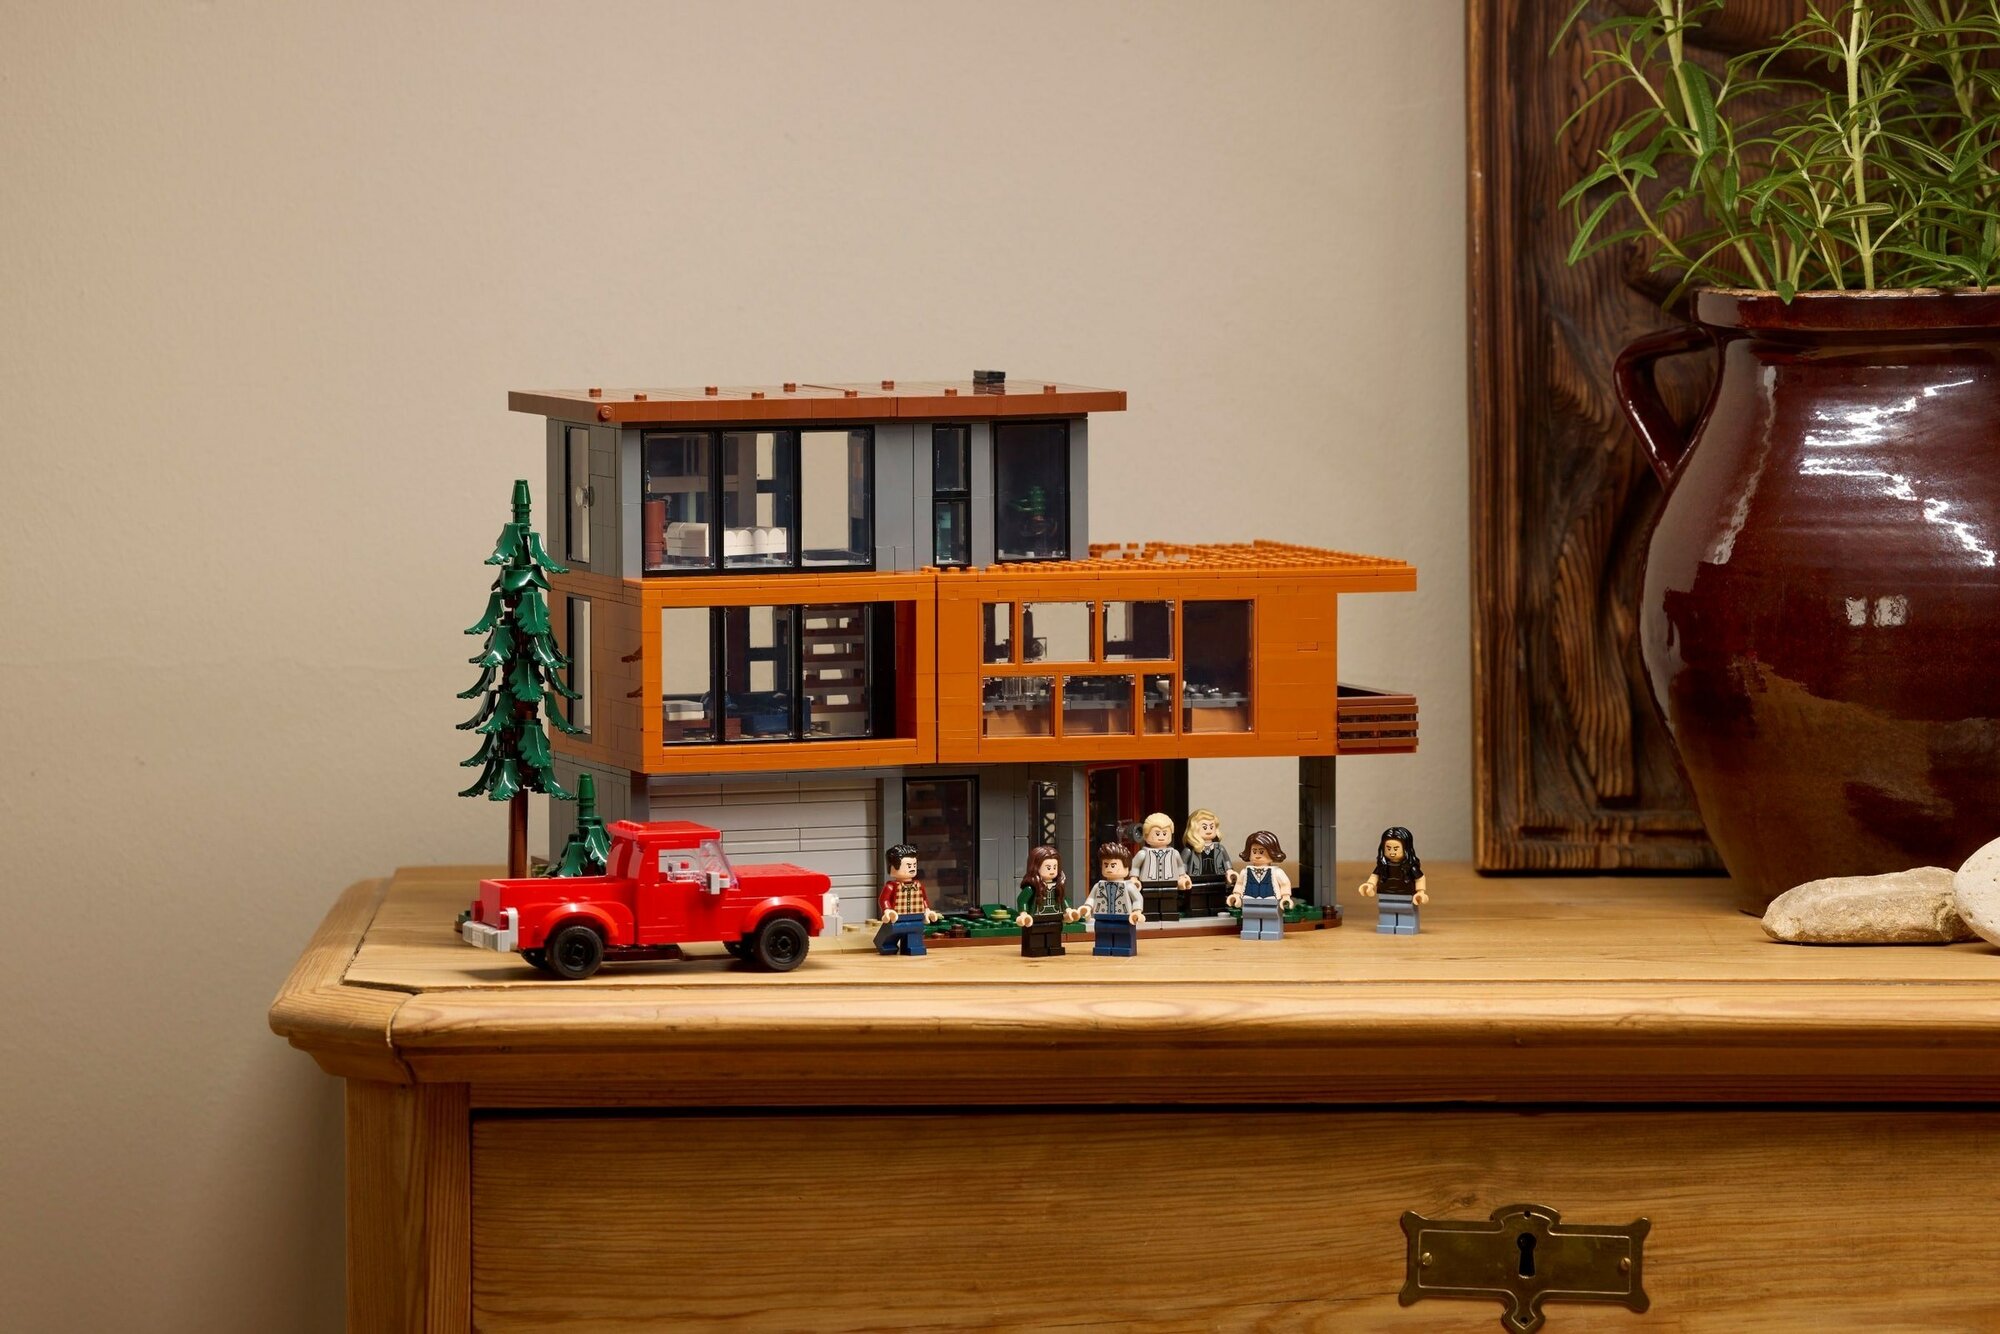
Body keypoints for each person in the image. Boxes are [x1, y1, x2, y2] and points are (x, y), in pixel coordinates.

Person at [1357, 826, 1428, 935]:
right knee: (1386, 910)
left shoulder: (1409, 867)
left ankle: (1406, 926)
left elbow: (1420, 878)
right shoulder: (1383, 866)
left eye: (1396, 848)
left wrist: (1420, 892)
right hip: (1385, 894)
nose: (1392, 852)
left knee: (1406, 910)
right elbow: (1375, 876)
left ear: (1406, 848)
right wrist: (1370, 885)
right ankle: (1386, 926)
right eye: (1388, 848)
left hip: (1406, 894)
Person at [1082, 843, 1145, 957]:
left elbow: (1137, 899)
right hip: (1102, 916)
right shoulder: (1098, 886)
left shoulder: (1129, 886)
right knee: (1102, 932)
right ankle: (1102, 947)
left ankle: (1123, 948)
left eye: (1113, 865)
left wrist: (1137, 911)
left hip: (1124, 917)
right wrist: (1087, 907)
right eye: (1106, 865)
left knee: (1124, 933)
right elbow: (1091, 898)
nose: (1109, 869)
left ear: (1127, 868)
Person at [1227, 830, 1292, 941]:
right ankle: (1250, 932)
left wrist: (1286, 897)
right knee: (1249, 917)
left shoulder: (1277, 872)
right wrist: (1236, 895)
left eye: (1261, 852)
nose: (1257, 855)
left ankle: (1271, 932)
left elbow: (1285, 883)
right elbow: (1240, 884)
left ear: (1272, 852)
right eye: (1254, 851)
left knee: (1271, 917)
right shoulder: (1245, 872)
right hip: (1249, 900)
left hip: (1270, 900)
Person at [878, 844, 940, 956]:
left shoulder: (918, 885)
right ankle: (887, 946)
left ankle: (914, 946)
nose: (912, 868)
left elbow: (924, 899)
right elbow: (884, 899)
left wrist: (927, 910)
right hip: (896, 918)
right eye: (908, 866)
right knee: (888, 937)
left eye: (914, 865)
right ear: (893, 867)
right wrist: (887, 910)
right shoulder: (891, 886)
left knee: (915, 932)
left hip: (916, 917)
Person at [1014, 845, 1075, 958]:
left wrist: (1068, 910)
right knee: (1036, 934)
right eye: (1048, 867)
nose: (1052, 871)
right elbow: (1022, 900)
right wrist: (1024, 913)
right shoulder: (1032, 888)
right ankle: (1036, 949)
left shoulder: (1057, 887)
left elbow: (1062, 899)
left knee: (1054, 932)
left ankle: (1054, 947)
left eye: (1055, 867)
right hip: (1037, 917)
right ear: (1036, 867)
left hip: (1055, 916)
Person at [1130, 812, 1190, 922]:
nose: (1161, 837)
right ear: (1146, 835)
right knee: (1150, 899)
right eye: (1157, 834)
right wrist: (1134, 878)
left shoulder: (1174, 853)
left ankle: (1169, 914)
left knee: (1169, 898)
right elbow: (1135, 867)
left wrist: (1182, 877)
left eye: (1165, 833)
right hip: (1148, 883)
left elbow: (1180, 867)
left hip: (1170, 882)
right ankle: (1150, 915)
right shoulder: (1143, 854)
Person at [1181, 808, 1236, 917]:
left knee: (1217, 897)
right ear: (1194, 829)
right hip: (1195, 880)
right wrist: (1182, 876)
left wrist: (1230, 872)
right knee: (1196, 900)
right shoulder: (1190, 850)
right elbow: (1182, 866)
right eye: (1205, 827)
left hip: (1217, 878)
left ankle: (1217, 910)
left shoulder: (1220, 848)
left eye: (1212, 827)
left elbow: (1227, 863)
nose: (1209, 830)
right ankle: (1197, 911)